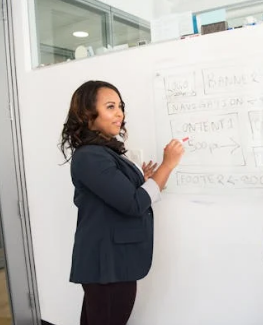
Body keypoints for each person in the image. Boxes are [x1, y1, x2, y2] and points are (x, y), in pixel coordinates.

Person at [60, 80, 184, 325]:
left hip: (113, 262)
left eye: (120, 106)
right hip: (107, 264)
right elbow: (134, 203)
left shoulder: (105, 151)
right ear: (88, 114)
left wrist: (146, 180)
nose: (120, 113)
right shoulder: (90, 156)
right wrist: (168, 164)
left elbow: (121, 196)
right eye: (110, 106)